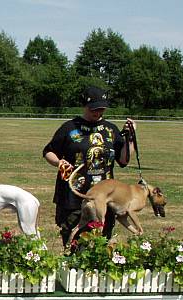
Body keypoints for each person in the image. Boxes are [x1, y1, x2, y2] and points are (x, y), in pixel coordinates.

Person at [43, 86, 137, 248]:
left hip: (105, 197)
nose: (98, 112)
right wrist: (59, 162)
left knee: (101, 242)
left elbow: (123, 160)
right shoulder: (69, 127)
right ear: (85, 106)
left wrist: (131, 137)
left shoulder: (111, 129)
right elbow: (48, 151)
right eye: (94, 108)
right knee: (74, 242)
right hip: (74, 195)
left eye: (102, 109)